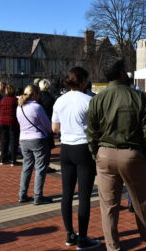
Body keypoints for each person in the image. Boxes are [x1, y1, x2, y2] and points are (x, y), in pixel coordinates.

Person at [87, 59, 146, 251]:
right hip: (131, 153)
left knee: (108, 205)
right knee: (142, 200)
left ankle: (113, 246)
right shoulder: (137, 97)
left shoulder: (97, 99)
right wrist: (144, 153)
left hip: (104, 154)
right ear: (122, 73)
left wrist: (95, 152)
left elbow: (91, 132)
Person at [52, 67, 100, 250]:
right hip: (84, 148)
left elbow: (54, 128)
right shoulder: (90, 100)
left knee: (67, 193)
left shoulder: (59, 101)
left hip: (65, 149)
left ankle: (70, 234)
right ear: (83, 81)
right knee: (84, 196)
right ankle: (83, 238)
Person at [16, 84, 53, 205]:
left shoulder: (19, 107)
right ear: (35, 94)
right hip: (37, 139)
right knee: (40, 168)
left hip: (23, 139)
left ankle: (22, 194)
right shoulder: (37, 107)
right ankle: (38, 195)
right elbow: (47, 125)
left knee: (26, 167)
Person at [38, 78, 57, 173]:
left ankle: (40, 164)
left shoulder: (37, 97)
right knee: (48, 146)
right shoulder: (51, 98)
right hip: (48, 122)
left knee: (40, 147)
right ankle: (46, 165)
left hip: (37, 123)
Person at [0, 84, 20, 165]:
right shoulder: (15, 100)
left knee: (4, 141)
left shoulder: (2, 100)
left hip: (2, 121)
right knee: (13, 141)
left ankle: (3, 159)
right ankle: (13, 160)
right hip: (12, 121)